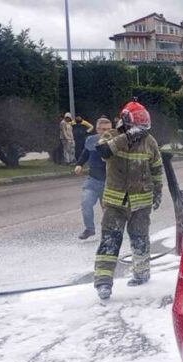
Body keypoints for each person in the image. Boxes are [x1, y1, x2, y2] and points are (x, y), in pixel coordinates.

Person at [93, 101, 163, 301]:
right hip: (116, 204)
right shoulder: (112, 137)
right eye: (136, 127)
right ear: (125, 122)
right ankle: (103, 283)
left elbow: (157, 169)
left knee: (140, 240)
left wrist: (158, 192)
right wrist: (126, 137)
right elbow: (104, 152)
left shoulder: (150, 142)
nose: (140, 131)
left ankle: (141, 274)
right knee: (109, 242)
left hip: (141, 204)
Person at [74, 117, 111, 240]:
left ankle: (108, 231)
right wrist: (79, 164)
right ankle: (89, 229)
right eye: (104, 129)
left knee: (108, 210)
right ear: (98, 129)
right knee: (86, 203)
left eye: (109, 129)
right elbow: (86, 153)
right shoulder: (91, 140)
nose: (106, 132)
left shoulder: (115, 141)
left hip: (110, 182)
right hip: (93, 180)